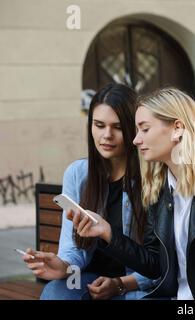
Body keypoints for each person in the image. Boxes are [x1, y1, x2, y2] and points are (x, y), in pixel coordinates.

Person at [68, 88, 195, 300]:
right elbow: (155, 265)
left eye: (144, 129)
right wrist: (108, 233)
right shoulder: (160, 188)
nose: (135, 140)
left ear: (177, 129)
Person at [23, 83, 154, 300]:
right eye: (99, 125)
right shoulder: (78, 174)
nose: (107, 135)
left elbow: (160, 266)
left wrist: (120, 284)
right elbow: (73, 251)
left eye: (118, 127)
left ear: (134, 129)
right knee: (56, 294)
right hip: (88, 280)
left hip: (136, 283)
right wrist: (62, 266)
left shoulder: (151, 177)